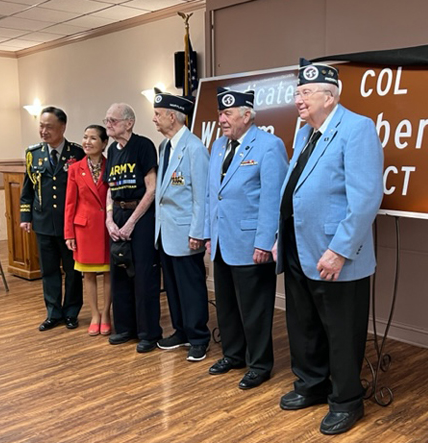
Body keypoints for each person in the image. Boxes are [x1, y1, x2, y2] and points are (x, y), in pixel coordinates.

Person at [273, 58, 384, 435]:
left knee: (341, 330)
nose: (297, 100)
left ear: (329, 96)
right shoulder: (304, 132)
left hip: (334, 252)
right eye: (297, 93)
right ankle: (312, 385)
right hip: (298, 246)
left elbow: (367, 197)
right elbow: (295, 189)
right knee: (304, 325)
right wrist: (278, 237)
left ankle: (347, 401)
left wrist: (339, 250)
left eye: (305, 93)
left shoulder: (356, 128)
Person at [205, 88, 288, 389]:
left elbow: (272, 198)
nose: (221, 119)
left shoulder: (268, 146)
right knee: (226, 304)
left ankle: (260, 363)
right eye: (220, 113)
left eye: (228, 114)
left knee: (255, 308)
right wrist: (208, 234)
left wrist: (264, 242)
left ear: (247, 115)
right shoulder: (217, 147)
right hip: (222, 242)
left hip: (252, 242)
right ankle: (233, 354)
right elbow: (211, 195)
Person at [153, 90, 211, 362]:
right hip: (165, 231)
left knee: (191, 286)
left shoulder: (195, 148)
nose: (154, 119)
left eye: (158, 114)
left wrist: (198, 232)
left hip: (187, 231)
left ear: (172, 116)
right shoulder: (165, 146)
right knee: (174, 286)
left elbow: (202, 195)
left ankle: (199, 336)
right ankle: (181, 331)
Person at [103, 103, 162, 353]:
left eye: (113, 120)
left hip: (141, 216)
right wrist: (109, 220)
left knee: (144, 277)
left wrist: (131, 222)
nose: (108, 124)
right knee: (119, 274)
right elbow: (109, 189)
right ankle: (125, 328)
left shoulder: (143, 145)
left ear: (129, 123)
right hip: (117, 215)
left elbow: (152, 188)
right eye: (106, 120)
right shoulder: (112, 151)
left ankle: (148, 333)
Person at [20, 106, 84, 331]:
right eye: (41, 126)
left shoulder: (77, 153)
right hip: (43, 222)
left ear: (62, 127)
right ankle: (53, 312)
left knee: (73, 271)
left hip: (70, 225)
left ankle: (71, 312)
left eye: (49, 127)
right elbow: (27, 189)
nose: (43, 131)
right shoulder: (32, 153)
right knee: (48, 270)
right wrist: (25, 216)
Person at [64, 125, 111, 336]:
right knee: (89, 274)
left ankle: (107, 314)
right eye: (85, 137)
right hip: (84, 228)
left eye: (93, 138)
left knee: (109, 272)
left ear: (104, 143)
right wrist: (69, 234)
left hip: (107, 227)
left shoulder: (111, 165)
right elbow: (69, 204)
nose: (87, 142)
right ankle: (94, 314)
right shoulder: (75, 168)